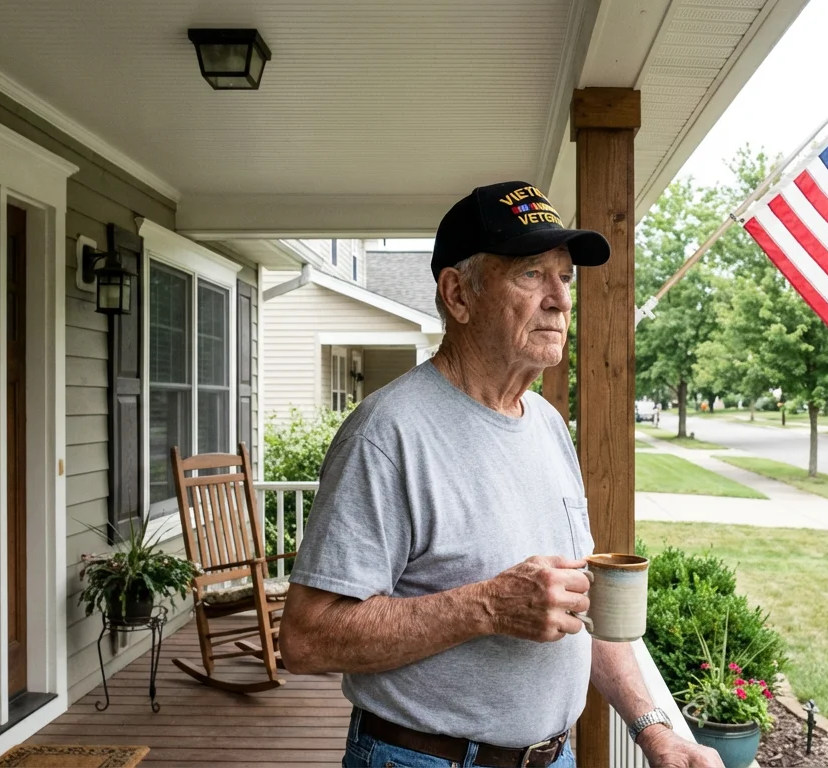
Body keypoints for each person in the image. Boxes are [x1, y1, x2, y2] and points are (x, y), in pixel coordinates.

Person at [279, 181, 721, 768]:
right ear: (458, 295)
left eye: (565, 277)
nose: (561, 299)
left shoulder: (547, 425)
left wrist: (656, 732)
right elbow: (306, 639)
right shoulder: (387, 433)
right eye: (532, 274)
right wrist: (486, 606)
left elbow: (581, 610)